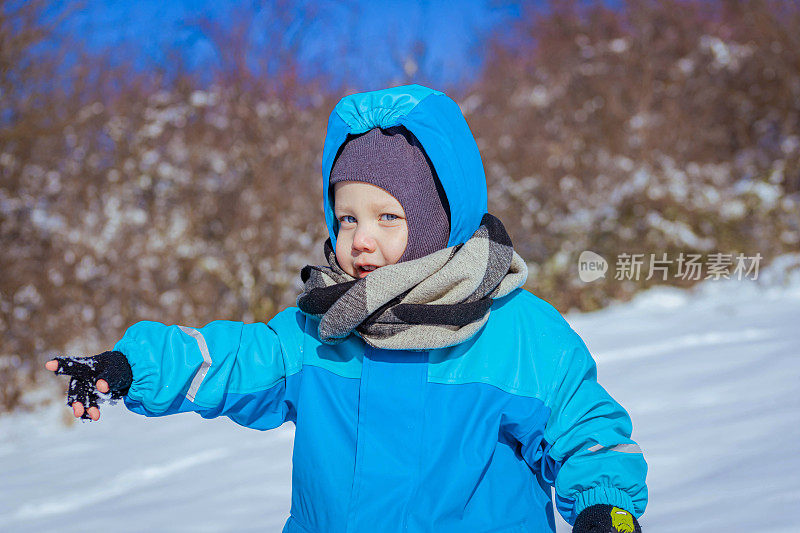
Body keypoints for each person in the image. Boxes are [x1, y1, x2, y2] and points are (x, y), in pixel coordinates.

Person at [46, 84, 648, 533]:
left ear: (442, 222)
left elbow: (585, 430)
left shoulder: (510, 329)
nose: (361, 238)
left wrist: (606, 511)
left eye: (389, 217)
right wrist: (132, 366)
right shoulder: (316, 330)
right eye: (347, 217)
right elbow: (231, 359)